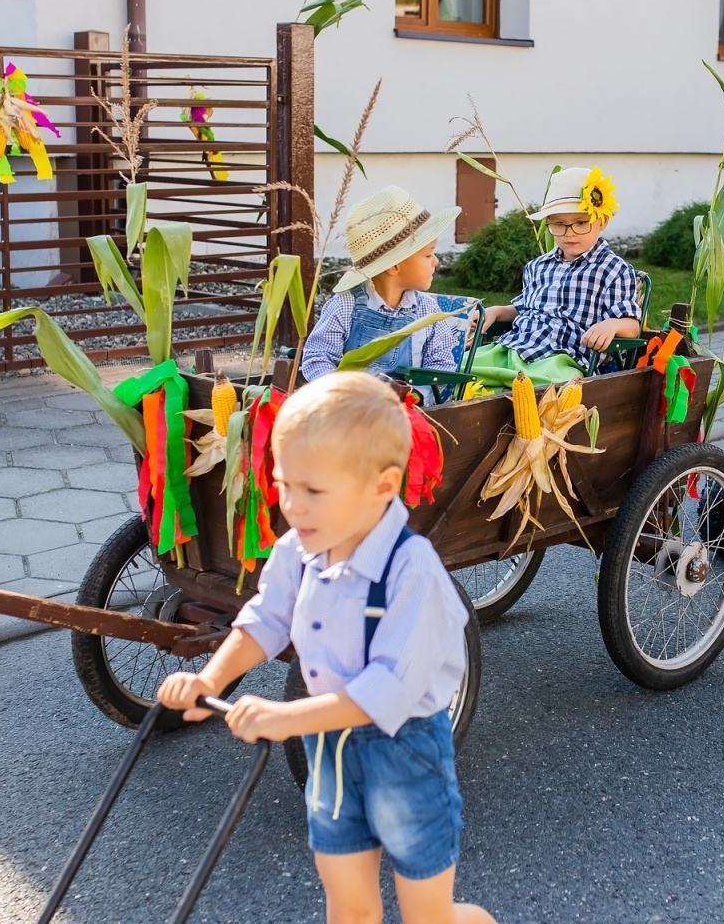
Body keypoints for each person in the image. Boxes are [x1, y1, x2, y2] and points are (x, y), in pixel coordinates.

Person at [156, 372, 494, 924]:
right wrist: (210, 681)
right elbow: (264, 620)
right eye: (286, 485)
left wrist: (287, 718)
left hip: (405, 751)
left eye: (314, 491)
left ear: (383, 486)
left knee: (428, 916)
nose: (293, 506)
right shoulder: (298, 549)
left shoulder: (413, 573)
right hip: (330, 750)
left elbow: (385, 689)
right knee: (349, 906)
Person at [470, 165, 643, 389]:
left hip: (562, 359)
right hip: (515, 346)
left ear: (602, 221)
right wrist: (497, 311)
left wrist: (611, 325)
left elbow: (632, 326)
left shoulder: (613, 269)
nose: (569, 232)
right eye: (559, 224)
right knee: (463, 367)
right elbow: (524, 308)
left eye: (581, 223)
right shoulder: (538, 266)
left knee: (552, 391)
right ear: (549, 223)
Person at [301, 186, 462, 387]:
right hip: (352, 408)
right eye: (428, 254)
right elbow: (318, 357)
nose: (436, 261)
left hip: (408, 410)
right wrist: (337, 392)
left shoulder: (428, 312)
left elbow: (441, 367)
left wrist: (417, 396)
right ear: (394, 266)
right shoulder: (345, 305)